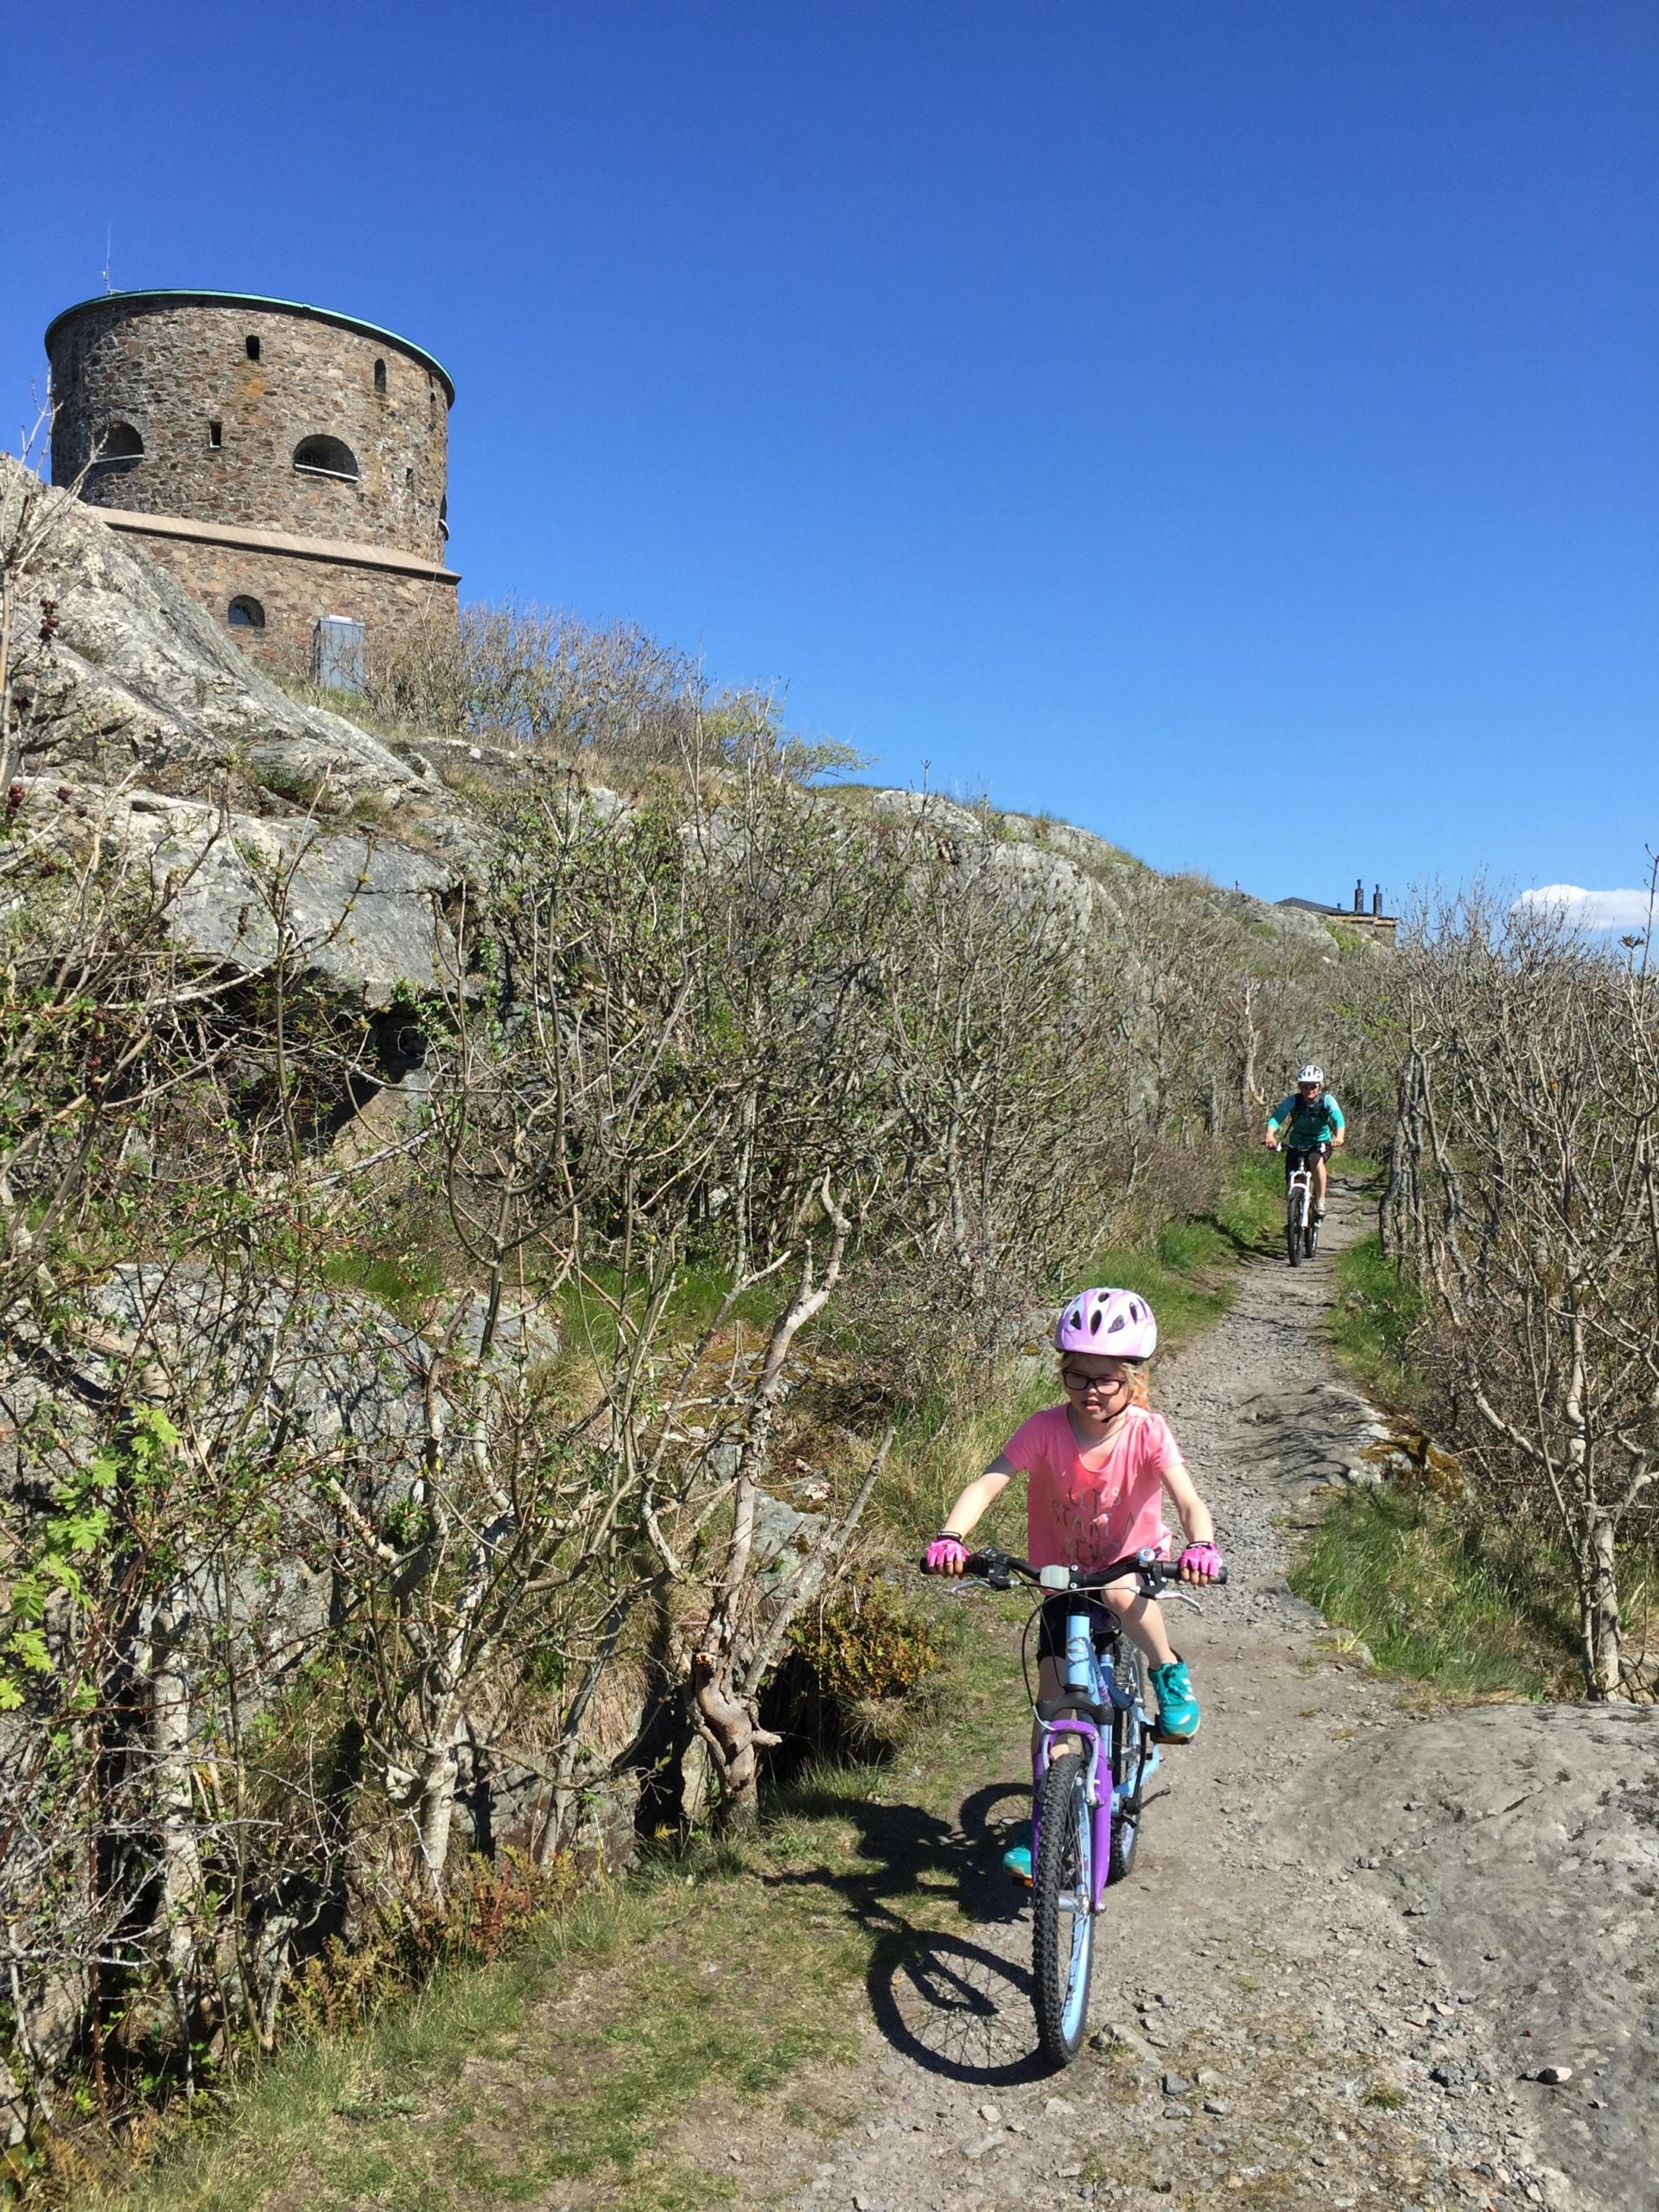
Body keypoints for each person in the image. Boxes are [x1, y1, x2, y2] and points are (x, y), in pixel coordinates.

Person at [922, 1287, 1224, 1881]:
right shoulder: (1043, 1429)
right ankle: (1046, 1830)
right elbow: (990, 1482)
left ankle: (1167, 1670)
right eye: (1076, 1375)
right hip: (1059, 1578)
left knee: (1117, 1594)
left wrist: (1202, 1547)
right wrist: (952, 1536)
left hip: (1130, 1566)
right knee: (1056, 1714)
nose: (1090, 1390)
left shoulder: (1147, 1432)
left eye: (1106, 1380)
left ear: (1133, 1380)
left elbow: (1188, 1500)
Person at [1264, 1063, 1345, 1218]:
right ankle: (1295, 1209)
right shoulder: (1293, 1101)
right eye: (1305, 1086)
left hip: (1320, 1143)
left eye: (1313, 1086)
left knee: (1315, 1160)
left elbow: (1338, 1119)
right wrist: (1270, 1134)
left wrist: (1339, 1137)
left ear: (1319, 1086)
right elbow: (1276, 1117)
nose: (1309, 1090)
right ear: (1300, 1087)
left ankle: (1320, 1201)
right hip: (1297, 1143)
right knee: (1291, 1179)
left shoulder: (1327, 1101)